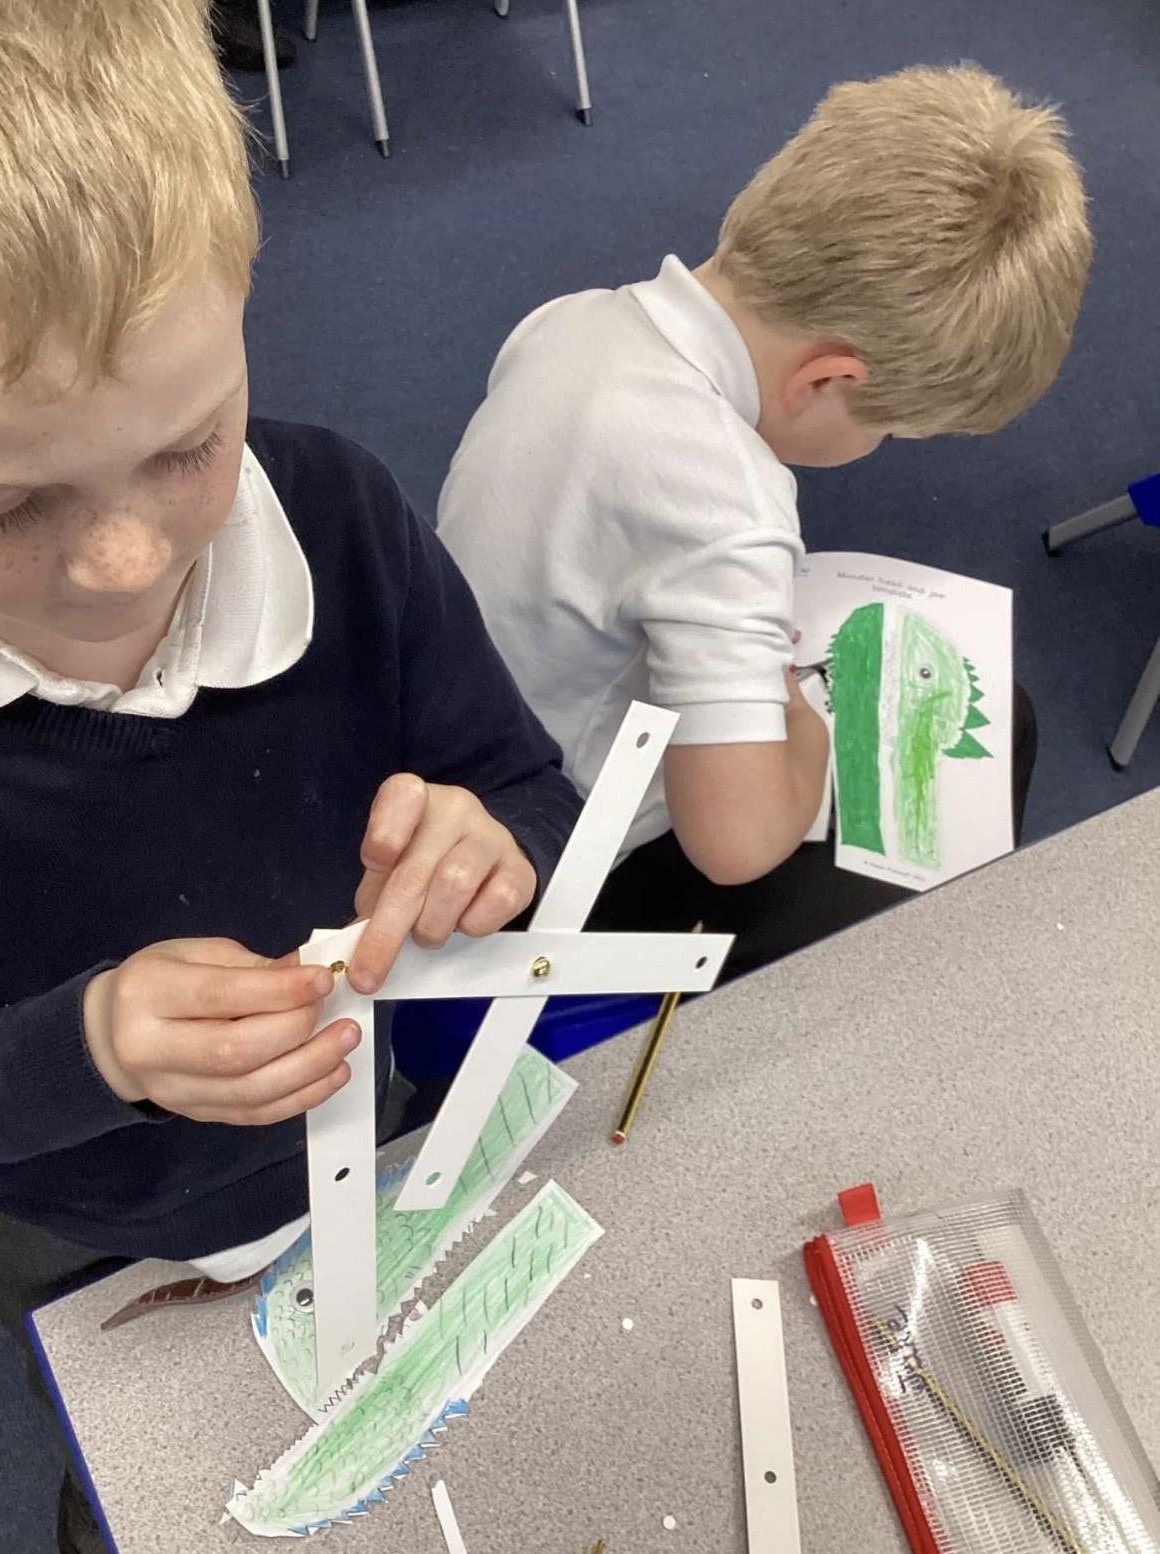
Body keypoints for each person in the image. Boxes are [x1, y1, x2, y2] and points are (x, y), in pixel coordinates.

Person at [0, 3, 580, 1554]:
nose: (123, 560)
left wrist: (491, 851)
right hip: (75, 1217)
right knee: (153, 1483)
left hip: (363, 1123)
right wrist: (99, 1042)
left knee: (406, 1414)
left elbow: (522, 785)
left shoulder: (338, 517)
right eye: (0, 506)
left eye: (187, 446)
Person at [436, 65, 1091, 963]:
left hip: (458, 751)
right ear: (829, 379)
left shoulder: (572, 320)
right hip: (552, 860)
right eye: (889, 430)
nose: (880, 445)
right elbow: (735, 845)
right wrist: (808, 728)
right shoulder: (728, 499)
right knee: (989, 747)